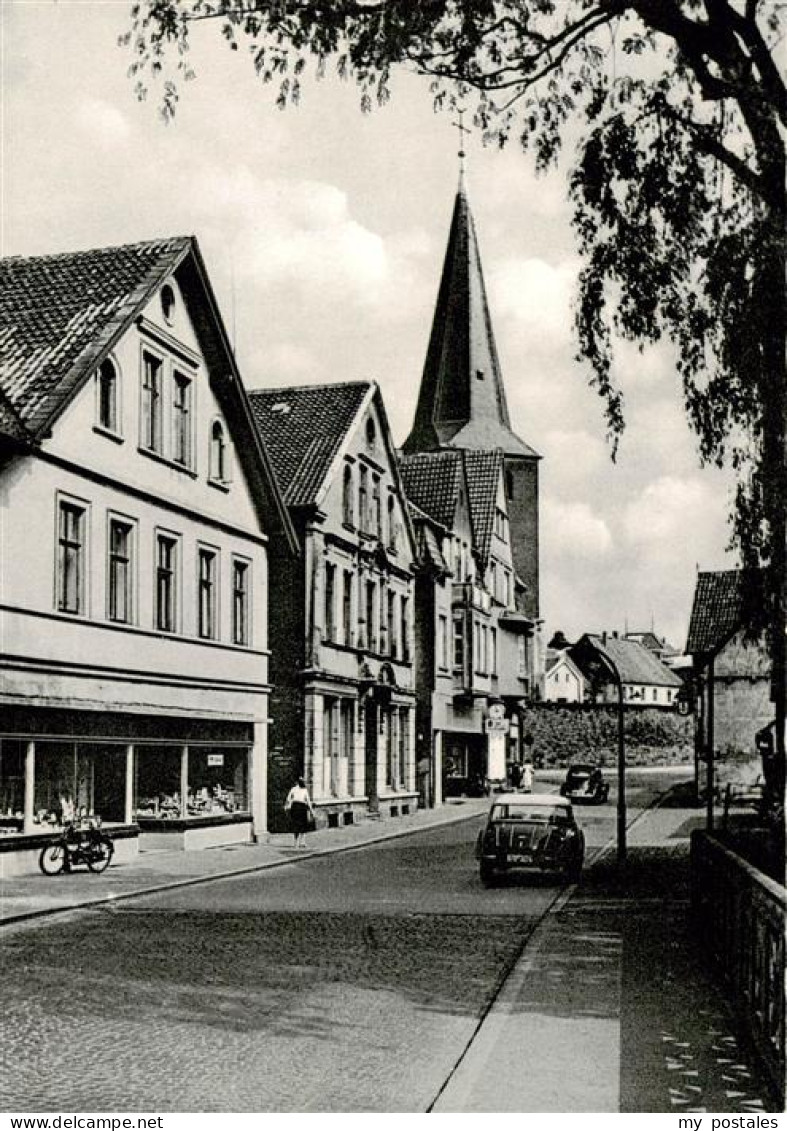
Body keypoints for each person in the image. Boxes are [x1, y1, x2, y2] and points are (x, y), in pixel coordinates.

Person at [284, 777, 316, 848]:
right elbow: (308, 801)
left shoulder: (293, 789)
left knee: (296, 825)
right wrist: (311, 811)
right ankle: (302, 842)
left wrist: (286, 807)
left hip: (295, 807)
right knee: (303, 825)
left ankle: (296, 843)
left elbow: (288, 799)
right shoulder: (304, 790)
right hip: (302, 807)